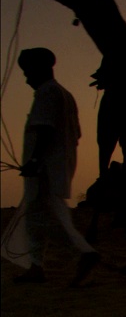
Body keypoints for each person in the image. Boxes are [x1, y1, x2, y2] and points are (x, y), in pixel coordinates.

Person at [0, 48, 99, 286]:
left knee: (50, 218)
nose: (26, 78)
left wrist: (35, 161)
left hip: (45, 169)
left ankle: (84, 252)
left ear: (40, 69)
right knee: (34, 218)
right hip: (56, 168)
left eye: (28, 72)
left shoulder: (47, 93)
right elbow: (75, 134)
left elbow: (45, 129)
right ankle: (36, 267)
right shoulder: (64, 94)